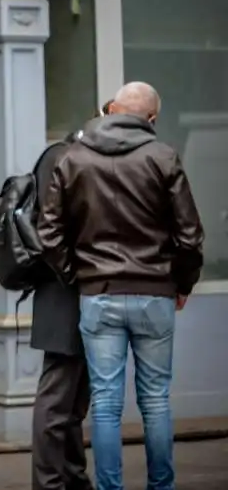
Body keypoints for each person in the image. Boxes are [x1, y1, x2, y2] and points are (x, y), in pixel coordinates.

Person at [37, 82, 204, 490]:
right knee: (155, 401)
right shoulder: (164, 158)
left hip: (98, 295)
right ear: (151, 119)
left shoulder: (73, 159)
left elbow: (49, 233)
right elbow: (190, 235)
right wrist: (181, 283)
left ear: (112, 109)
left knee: (107, 406)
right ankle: (160, 486)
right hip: (155, 294)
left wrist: (78, 277)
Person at [30, 101, 112, 490]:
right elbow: (53, 234)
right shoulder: (63, 159)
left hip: (72, 291)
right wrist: (75, 277)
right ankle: (49, 483)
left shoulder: (69, 157)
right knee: (57, 399)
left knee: (75, 399)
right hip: (64, 296)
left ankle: (74, 478)